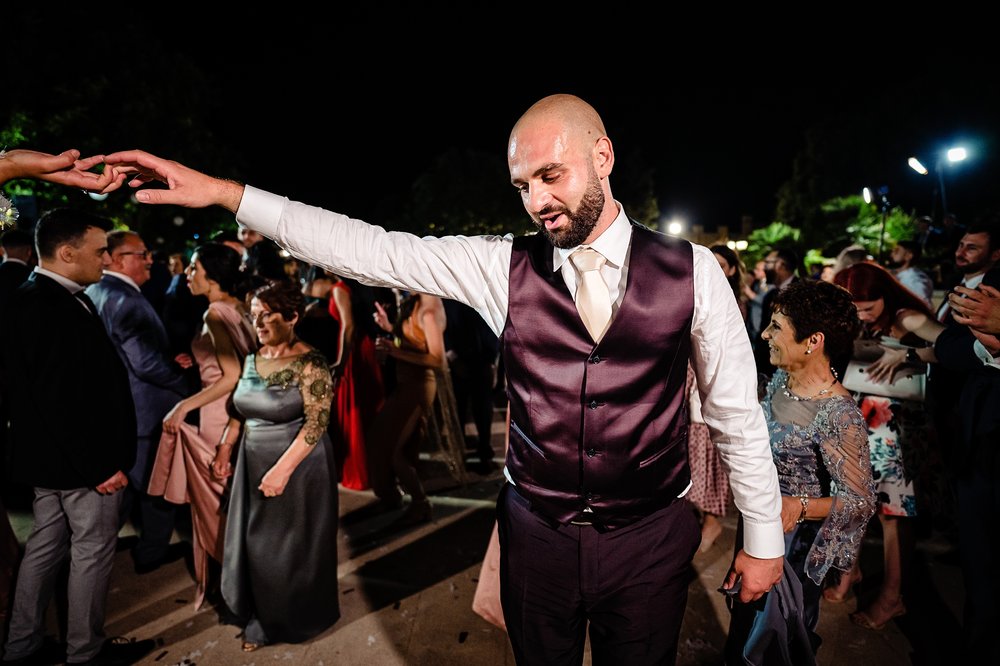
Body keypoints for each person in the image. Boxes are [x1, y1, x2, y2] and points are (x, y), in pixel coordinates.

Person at [104, 93, 784, 665]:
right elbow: (370, 249)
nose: (538, 202)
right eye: (523, 186)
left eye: (553, 175)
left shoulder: (692, 271)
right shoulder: (497, 265)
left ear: (602, 157)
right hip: (536, 537)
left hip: (650, 536)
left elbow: (735, 417)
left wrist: (762, 541)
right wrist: (228, 194)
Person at [0, 208, 154, 665]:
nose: (106, 258)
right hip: (81, 463)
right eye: (100, 249)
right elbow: (56, 399)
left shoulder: (38, 295)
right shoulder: (47, 305)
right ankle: (84, 653)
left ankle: (21, 646)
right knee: (92, 552)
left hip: (49, 459)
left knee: (44, 547)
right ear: (66, 253)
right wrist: (99, 466)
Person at [725, 279, 876, 664]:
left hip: (795, 548)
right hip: (758, 523)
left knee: (775, 639)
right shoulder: (781, 381)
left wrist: (799, 506)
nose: (765, 334)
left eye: (776, 327)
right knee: (743, 621)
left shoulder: (838, 414)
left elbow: (860, 500)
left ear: (813, 341)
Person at [210, 281, 339, 652]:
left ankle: (293, 616)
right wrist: (224, 449)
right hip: (253, 461)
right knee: (256, 545)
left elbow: (317, 423)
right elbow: (240, 410)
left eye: (268, 315)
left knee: (291, 548)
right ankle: (261, 612)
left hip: (299, 466)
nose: (259, 323)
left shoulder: (311, 362)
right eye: (254, 316)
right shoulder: (251, 357)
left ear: (293, 317)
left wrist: (282, 472)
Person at [831, 262, 945, 629]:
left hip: (897, 428)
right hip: (867, 420)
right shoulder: (864, 321)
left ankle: (892, 596)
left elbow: (954, 347)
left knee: (894, 514)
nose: (862, 314)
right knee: (856, 498)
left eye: (869, 306)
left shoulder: (908, 317)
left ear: (886, 294)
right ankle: (850, 573)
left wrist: (907, 355)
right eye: (856, 308)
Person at [147, 242, 256, 610]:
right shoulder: (240, 307)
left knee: (214, 510)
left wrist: (183, 406)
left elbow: (232, 375)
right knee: (231, 505)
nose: (187, 274)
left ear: (212, 277)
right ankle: (241, 585)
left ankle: (239, 591)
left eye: (193, 269)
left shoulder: (213, 313)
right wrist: (197, 360)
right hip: (238, 417)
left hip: (217, 416)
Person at [85, 230, 191, 574]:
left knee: (129, 486)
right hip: (146, 408)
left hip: (123, 407)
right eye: (142, 253)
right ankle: (150, 553)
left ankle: (95, 548)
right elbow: (143, 361)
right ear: (117, 259)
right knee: (155, 486)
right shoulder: (125, 298)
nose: (150, 260)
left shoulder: (98, 291)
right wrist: (183, 384)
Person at [369, 292, 448, 524]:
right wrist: (390, 329)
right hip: (405, 384)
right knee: (381, 441)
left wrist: (395, 351)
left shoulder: (429, 311)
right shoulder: (416, 302)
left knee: (396, 451)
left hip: (419, 387)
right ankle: (393, 495)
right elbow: (415, 342)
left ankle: (420, 503)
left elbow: (438, 361)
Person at [888, 239, 934, 309]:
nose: (892, 254)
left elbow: (924, 305)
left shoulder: (913, 279)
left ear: (909, 256)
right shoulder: (904, 276)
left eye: (897, 251)